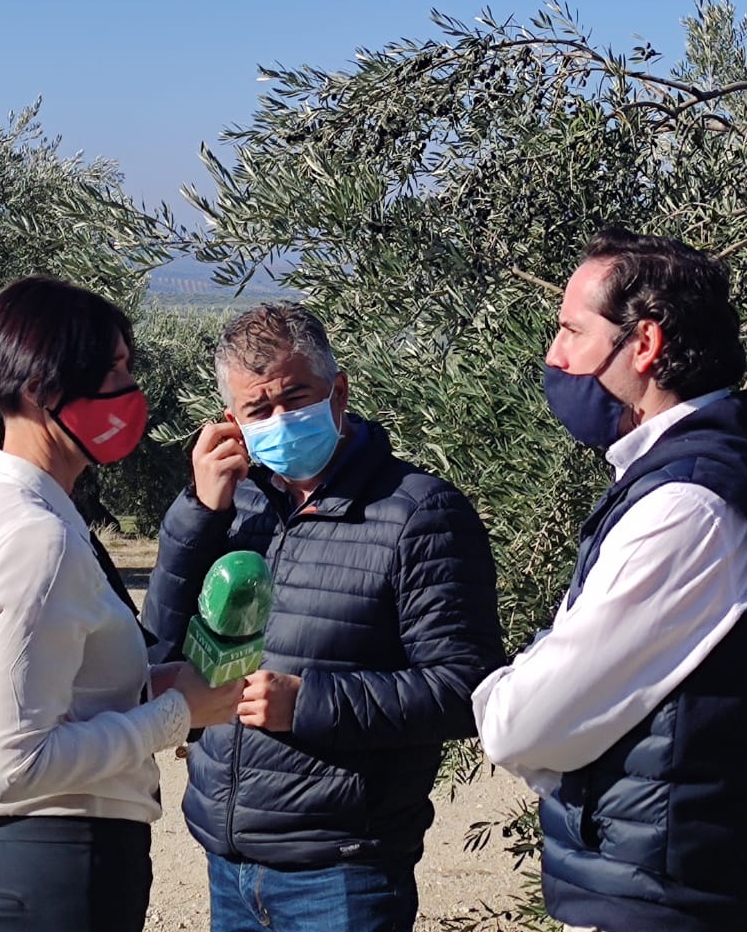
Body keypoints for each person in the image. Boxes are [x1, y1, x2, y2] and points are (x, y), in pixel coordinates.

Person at [473, 229, 747, 932]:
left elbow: (522, 724)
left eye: (572, 330)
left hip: (665, 898)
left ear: (644, 345)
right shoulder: (686, 480)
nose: (555, 355)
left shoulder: (687, 508)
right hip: (659, 882)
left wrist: (501, 693)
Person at [143, 302, 504, 932]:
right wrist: (197, 516)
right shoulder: (234, 509)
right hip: (228, 864)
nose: (281, 419)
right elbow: (159, 648)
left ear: (338, 392)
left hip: (344, 874)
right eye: (260, 411)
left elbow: (464, 687)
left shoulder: (419, 514)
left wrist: (308, 704)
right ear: (233, 423)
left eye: (297, 397)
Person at [0, 275, 243, 932]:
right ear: (43, 389)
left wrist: (152, 683)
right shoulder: (35, 536)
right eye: (115, 370)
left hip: (18, 869)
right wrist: (177, 712)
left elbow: (45, 691)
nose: (131, 392)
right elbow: (15, 764)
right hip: (56, 873)